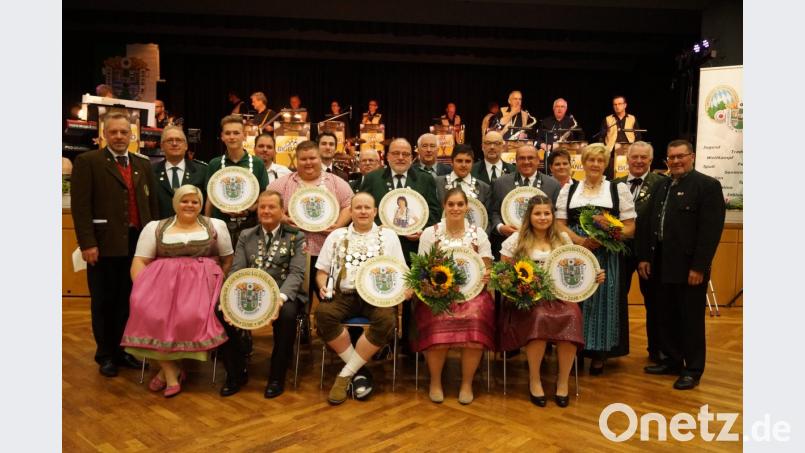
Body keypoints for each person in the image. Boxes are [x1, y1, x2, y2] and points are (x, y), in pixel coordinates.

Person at [121, 185, 233, 397]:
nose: (189, 205)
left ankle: (168, 374)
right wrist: (142, 290)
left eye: (195, 202)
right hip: (162, 286)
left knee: (190, 315)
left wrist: (218, 280)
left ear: (201, 204)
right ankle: (171, 371)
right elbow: (140, 261)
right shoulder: (155, 227)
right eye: (184, 201)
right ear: (175, 203)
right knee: (148, 311)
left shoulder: (216, 225)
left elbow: (228, 259)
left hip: (202, 286)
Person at [71, 111, 159, 377]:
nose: (119, 136)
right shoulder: (88, 161)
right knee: (103, 301)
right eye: (114, 132)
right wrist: (87, 243)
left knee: (129, 300)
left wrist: (155, 242)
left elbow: (152, 205)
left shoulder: (143, 164)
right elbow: (81, 207)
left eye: (124, 132)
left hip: (137, 245)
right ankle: (106, 355)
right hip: (103, 244)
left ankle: (123, 351)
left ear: (132, 135)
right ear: (104, 134)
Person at [499, 195, 605, 407]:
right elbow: (503, 274)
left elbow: (578, 267)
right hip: (528, 300)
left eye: (547, 213)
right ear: (529, 216)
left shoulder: (563, 239)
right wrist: (521, 289)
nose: (543, 217)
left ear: (553, 216)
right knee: (539, 317)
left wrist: (594, 276)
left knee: (572, 315)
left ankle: (563, 381)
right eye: (537, 213)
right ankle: (534, 379)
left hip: (560, 296)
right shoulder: (516, 240)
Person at [638, 140, 725, 390]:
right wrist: (645, 257)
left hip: (689, 268)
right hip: (661, 263)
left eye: (680, 156)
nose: (675, 161)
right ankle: (672, 361)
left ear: (692, 157)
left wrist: (699, 267)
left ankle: (693, 369)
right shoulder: (662, 185)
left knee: (691, 320)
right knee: (666, 316)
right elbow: (650, 223)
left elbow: (710, 232)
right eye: (671, 157)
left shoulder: (707, 186)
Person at [315, 192, 408, 404]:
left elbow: (402, 271)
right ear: (350, 211)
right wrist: (323, 286)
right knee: (323, 314)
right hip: (343, 295)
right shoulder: (336, 236)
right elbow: (321, 272)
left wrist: (405, 289)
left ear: (375, 211)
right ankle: (359, 372)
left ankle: (345, 375)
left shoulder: (389, 236)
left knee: (386, 320)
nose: (363, 211)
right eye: (358, 208)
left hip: (378, 297)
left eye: (367, 208)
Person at [555, 143, 636, 374]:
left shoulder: (617, 189)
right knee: (574, 301)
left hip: (606, 254)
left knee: (603, 300)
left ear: (606, 164)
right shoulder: (569, 189)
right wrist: (580, 241)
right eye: (591, 160)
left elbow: (630, 227)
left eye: (600, 161)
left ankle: (600, 354)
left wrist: (607, 234)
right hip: (575, 253)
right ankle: (574, 352)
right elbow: (559, 224)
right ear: (583, 162)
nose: (595, 164)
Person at [219, 190, 308, 398]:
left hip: (283, 292)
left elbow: (296, 273)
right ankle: (236, 372)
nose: (266, 211)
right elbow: (237, 271)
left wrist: (280, 299)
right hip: (251, 292)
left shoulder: (296, 236)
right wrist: (228, 298)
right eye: (262, 207)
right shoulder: (246, 235)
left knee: (287, 315)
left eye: (271, 207)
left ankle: (276, 376)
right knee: (219, 312)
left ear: (282, 211)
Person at [414, 188, 496, 405]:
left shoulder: (479, 234)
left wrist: (487, 275)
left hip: (473, 295)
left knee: (475, 318)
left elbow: (487, 266)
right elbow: (421, 269)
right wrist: (434, 289)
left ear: (467, 207)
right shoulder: (430, 233)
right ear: (444, 206)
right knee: (437, 317)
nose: (455, 208)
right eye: (451, 204)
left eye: (460, 204)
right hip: (438, 294)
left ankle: (467, 383)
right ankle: (435, 382)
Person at [267, 140, 353, 297]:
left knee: (328, 296)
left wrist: (338, 226)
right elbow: (267, 204)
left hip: (327, 251)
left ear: (320, 158)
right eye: (303, 159)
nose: (308, 162)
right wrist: (283, 218)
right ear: (296, 160)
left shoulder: (335, 182)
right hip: (292, 251)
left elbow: (349, 205)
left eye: (312, 158)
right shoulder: (282, 184)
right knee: (297, 298)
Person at [612, 141, 667, 362]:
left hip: (649, 254)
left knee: (655, 303)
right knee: (616, 300)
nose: (638, 161)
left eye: (644, 157)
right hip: (619, 252)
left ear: (650, 160)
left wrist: (648, 255)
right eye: (634, 157)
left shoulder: (661, 184)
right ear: (627, 159)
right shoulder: (614, 184)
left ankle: (657, 350)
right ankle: (613, 347)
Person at [359, 138, 441, 262]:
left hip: (414, 249)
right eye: (396, 153)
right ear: (387, 157)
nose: (401, 157)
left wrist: (422, 230)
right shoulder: (372, 178)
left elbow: (434, 212)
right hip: (379, 247)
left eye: (405, 154)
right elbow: (362, 209)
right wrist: (378, 228)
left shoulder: (425, 179)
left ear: (412, 158)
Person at [204, 115, 270, 248]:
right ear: (222, 136)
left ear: (244, 136)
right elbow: (210, 198)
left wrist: (248, 209)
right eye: (228, 133)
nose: (232, 137)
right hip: (220, 225)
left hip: (250, 226)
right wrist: (207, 225)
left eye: (236, 133)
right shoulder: (214, 164)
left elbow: (263, 196)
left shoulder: (257, 163)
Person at [153, 125, 208, 219]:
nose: (174, 143)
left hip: (193, 225)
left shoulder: (202, 171)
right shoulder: (151, 172)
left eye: (178, 140)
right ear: (162, 146)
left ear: (186, 146)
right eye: (169, 140)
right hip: (161, 225)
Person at [435, 144, 492, 234]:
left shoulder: (484, 188)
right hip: (442, 236)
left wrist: (479, 238)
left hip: (473, 238)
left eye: (468, 161)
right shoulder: (437, 183)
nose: (463, 165)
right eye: (459, 161)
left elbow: (488, 220)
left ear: (473, 163)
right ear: (451, 162)